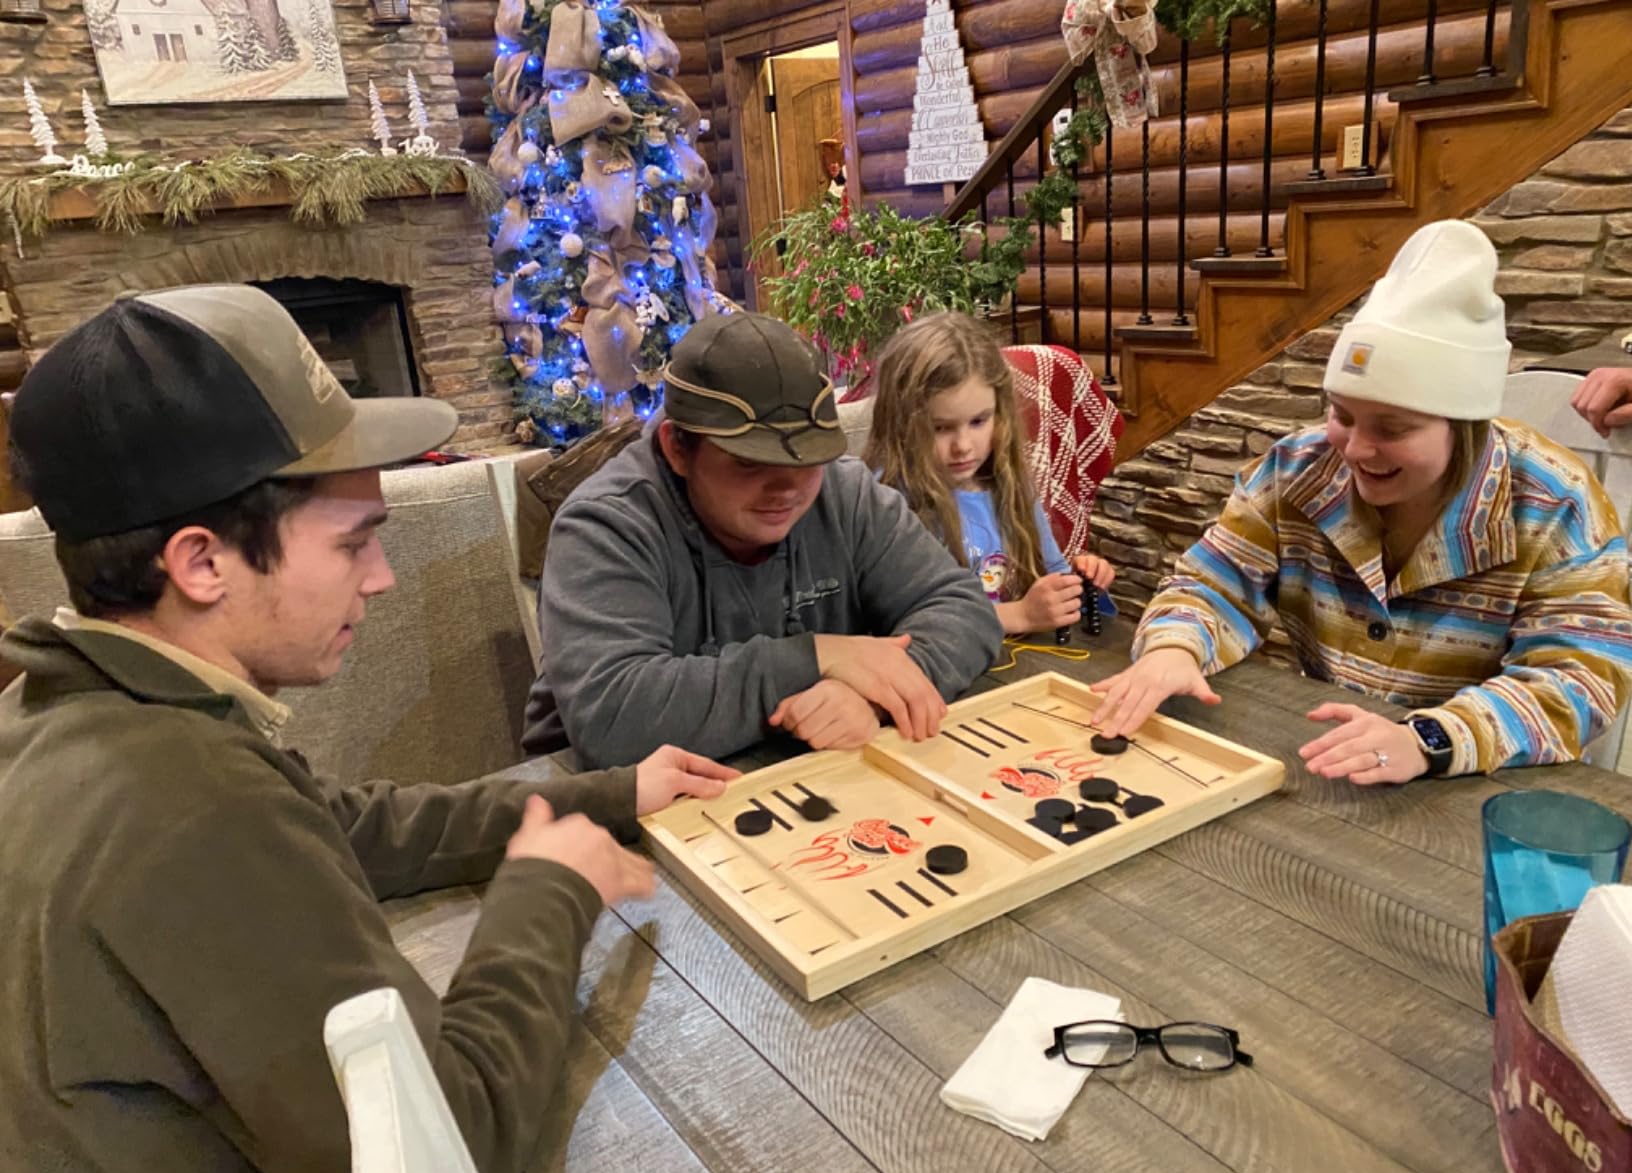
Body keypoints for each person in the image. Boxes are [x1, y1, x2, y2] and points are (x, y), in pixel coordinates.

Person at [0, 285, 736, 1173]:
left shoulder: (70, 705)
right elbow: (443, 1157)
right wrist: (546, 895)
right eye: (355, 542)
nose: (383, 577)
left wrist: (612, 793)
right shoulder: (187, 810)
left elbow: (338, 826)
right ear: (199, 562)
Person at [1092, 220, 1632, 783]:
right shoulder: (1294, 470)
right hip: (1334, 765)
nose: (1356, 448)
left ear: (1465, 425)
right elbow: (1213, 582)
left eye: (1393, 428)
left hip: (1494, 786)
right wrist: (1175, 648)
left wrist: (1430, 738)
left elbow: (1578, 679)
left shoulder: (1556, 505)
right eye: (1341, 415)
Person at [522, 310, 1004, 766]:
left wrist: (866, 695)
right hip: (619, 815)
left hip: (798, 778)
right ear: (677, 448)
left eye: (807, 459)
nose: (788, 489)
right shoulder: (605, 525)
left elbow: (963, 609)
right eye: (749, 463)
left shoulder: (845, 491)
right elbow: (615, 718)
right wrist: (819, 657)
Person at [863, 310, 1117, 635]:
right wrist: (1017, 616)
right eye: (940, 428)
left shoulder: (1011, 485)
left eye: (979, 421)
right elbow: (899, 624)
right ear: (899, 424)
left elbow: (1053, 581)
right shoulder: (887, 500)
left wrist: (1081, 582)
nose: (964, 446)